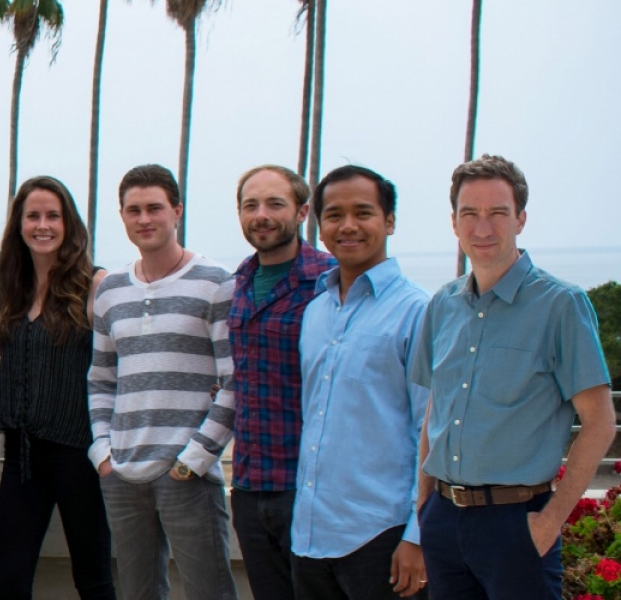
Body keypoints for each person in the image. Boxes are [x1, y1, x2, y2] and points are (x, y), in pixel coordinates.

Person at [413, 155, 614, 599]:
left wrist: (550, 521)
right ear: (454, 222)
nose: (482, 228)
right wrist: (423, 501)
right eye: (470, 214)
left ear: (520, 219)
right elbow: (436, 406)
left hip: (518, 524)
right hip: (443, 519)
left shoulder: (561, 304)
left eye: (497, 213)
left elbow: (600, 422)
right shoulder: (441, 305)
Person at [88, 164, 237, 600]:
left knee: (210, 592)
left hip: (186, 473)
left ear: (177, 211)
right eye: (134, 210)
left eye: (154, 208)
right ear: (123, 217)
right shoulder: (111, 289)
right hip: (122, 474)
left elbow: (233, 381)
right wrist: (102, 453)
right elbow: (100, 377)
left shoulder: (215, 284)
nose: (144, 219)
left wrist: (196, 457)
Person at [289, 166, 429, 599]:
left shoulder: (417, 311)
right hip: (309, 535)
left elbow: (433, 430)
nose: (347, 226)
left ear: (388, 221)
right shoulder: (315, 312)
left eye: (363, 212)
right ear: (320, 224)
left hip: (382, 537)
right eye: (334, 214)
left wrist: (417, 536)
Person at [0, 177, 114, 600]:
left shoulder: (95, 286)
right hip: (22, 458)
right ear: (19, 225)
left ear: (68, 223)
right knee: (8, 580)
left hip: (79, 453)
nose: (43, 225)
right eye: (33, 216)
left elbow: (124, 364)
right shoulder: (8, 290)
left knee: (93, 577)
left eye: (52, 216)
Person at [227, 165, 335, 600]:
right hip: (250, 486)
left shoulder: (329, 280)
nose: (262, 215)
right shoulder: (240, 280)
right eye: (251, 205)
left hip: (308, 486)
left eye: (275, 203)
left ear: (302, 211)